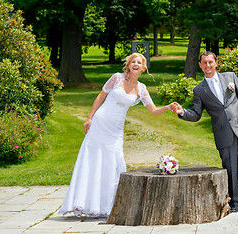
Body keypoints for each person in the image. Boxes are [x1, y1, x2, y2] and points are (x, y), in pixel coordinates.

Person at [59, 53, 174, 218]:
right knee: (92, 160)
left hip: (115, 131)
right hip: (100, 123)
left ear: (143, 68)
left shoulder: (141, 89)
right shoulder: (116, 78)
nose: (135, 64)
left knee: (114, 161)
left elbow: (154, 111)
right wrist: (90, 117)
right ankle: (83, 203)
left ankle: (109, 205)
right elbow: (101, 96)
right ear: (128, 65)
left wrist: (168, 107)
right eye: (132, 61)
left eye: (139, 62)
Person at [171, 51, 238, 213]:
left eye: (210, 62)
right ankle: (236, 202)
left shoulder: (230, 77)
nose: (207, 66)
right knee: (231, 170)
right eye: (204, 63)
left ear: (216, 63)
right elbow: (196, 115)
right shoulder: (199, 90)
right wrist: (182, 111)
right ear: (200, 65)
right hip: (223, 134)